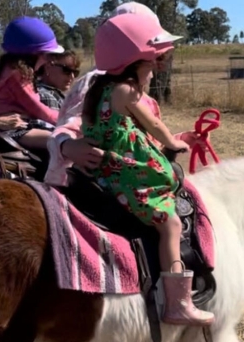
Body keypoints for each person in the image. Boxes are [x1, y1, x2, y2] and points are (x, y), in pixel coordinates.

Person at [82, 13, 215, 326]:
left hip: (104, 172)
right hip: (124, 174)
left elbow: (98, 132)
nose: (155, 70)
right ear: (132, 62)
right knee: (170, 223)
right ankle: (178, 302)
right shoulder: (126, 92)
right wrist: (174, 142)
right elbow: (152, 123)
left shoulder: (97, 92)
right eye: (152, 62)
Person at [44, 1, 207, 186]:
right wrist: (67, 145)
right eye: (154, 58)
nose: (155, 67)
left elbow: (138, 144)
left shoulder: (138, 94)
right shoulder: (95, 87)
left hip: (134, 175)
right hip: (106, 184)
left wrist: (177, 140)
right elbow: (65, 130)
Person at [0, 16, 64, 149]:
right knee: (62, 141)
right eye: (47, 55)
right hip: (10, 128)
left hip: (15, 124)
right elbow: (38, 110)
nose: (49, 61)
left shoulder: (12, 70)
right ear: (33, 55)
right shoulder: (17, 76)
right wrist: (66, 120)